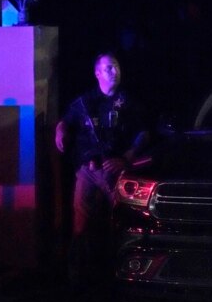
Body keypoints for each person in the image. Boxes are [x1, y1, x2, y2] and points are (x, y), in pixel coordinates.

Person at [55, 51, 149, 287]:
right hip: (88, 170)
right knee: (81, 223)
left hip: (116, 172)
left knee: (122, 221)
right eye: (108, 68)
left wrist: (126, 158)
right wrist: (60, 130)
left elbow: (144, 132)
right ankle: (76, 278)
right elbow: (67, 119)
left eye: (116, 67)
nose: (114, 72)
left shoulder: (129, 103)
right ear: (97, 73)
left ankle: (123, 275)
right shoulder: (86, 102)